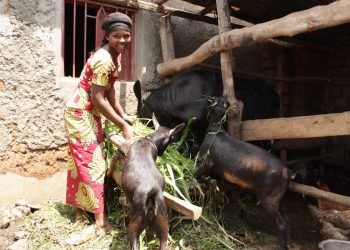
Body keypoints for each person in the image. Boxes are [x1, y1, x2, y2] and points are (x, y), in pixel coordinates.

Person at [63, 12, 134, 231]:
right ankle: (100, 221)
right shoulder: (103, 60)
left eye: (126, 36)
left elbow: (110, 90)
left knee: (80, 161)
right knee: (93, 162)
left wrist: (123, 115)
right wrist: (123, 125)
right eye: (117, 36)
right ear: (108, 36)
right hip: (80, 114)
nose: (122, 40)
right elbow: (97, 97)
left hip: (88, 112)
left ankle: (79, 213)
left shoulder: (115, 55)